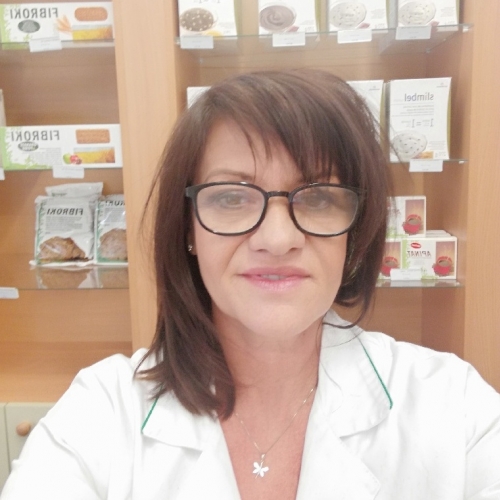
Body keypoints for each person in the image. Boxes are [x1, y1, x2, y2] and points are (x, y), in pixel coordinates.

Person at [1, 69, 499, 500]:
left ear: (357, 229)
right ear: (188, 228)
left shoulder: (455, 408)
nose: (277, 239)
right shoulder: (102, 411)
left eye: (318, 197)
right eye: (232, 198)